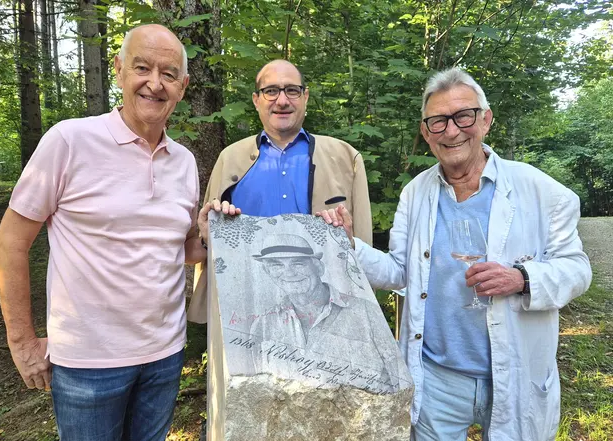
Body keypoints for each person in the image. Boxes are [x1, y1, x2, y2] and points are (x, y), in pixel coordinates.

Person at [318, 67, 592, 441]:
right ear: (425, 132)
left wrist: (522, 279)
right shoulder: (415, 193)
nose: (451, 131)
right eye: (438, 121)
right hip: (436, 378)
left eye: (463, 116)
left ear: (486, 120)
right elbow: (399, 271)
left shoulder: (542, 191)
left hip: (514, 372)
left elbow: (577, 269)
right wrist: (349, 245)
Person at [0, 24, 206, 441]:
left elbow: (179, 249)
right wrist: (22, 342)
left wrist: (219, 235)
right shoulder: (69, 141)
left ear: (182, 87)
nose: (155, 83)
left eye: (168, 74)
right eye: (142, 68)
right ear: (119, 69)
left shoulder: (184, 162)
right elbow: (8, 244)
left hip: (165, 356)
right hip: (87, 364)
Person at [189, 59, 373, 323]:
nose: (282, 100)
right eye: (271, 91)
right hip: (245, 310)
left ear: (305, 97)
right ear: (256, 100)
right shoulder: (229, 159)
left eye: (292, 90)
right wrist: (209, 237)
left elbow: (363, 246)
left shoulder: (345, 158)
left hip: (326, 313)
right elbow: (207, 241)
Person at [248, 234, 402, 393]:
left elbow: (399, 381)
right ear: (268, 272)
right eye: (277, 265)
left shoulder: (366, 313)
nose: (289, 273)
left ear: (318, 267)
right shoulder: (262, 325)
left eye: (298, 263)